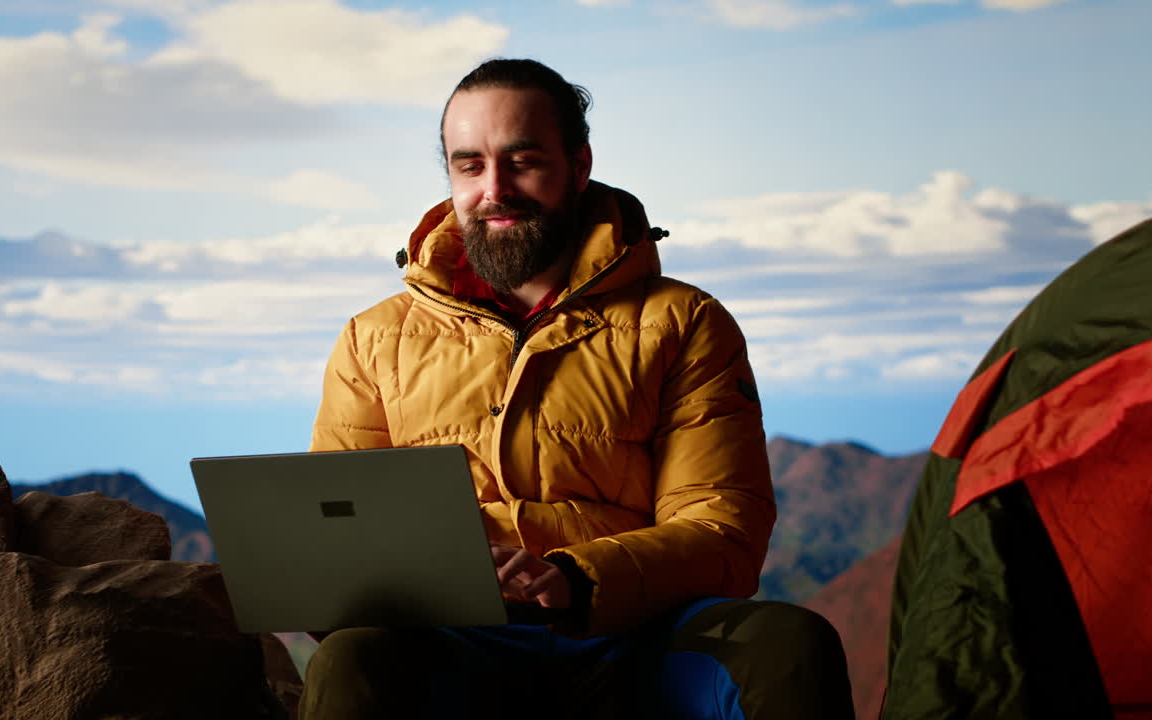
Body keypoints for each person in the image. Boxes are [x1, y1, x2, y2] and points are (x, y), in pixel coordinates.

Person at [301, 58, 855, 719]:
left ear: (579, 164)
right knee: (349, 658)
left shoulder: (683, 322)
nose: (494, 188)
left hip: (635, 636)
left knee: (789, 643)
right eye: (469, 165)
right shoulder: (374, 338)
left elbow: (723, 532)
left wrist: (573, 579)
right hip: (453, 641)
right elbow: (338, 536)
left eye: (523, 160)